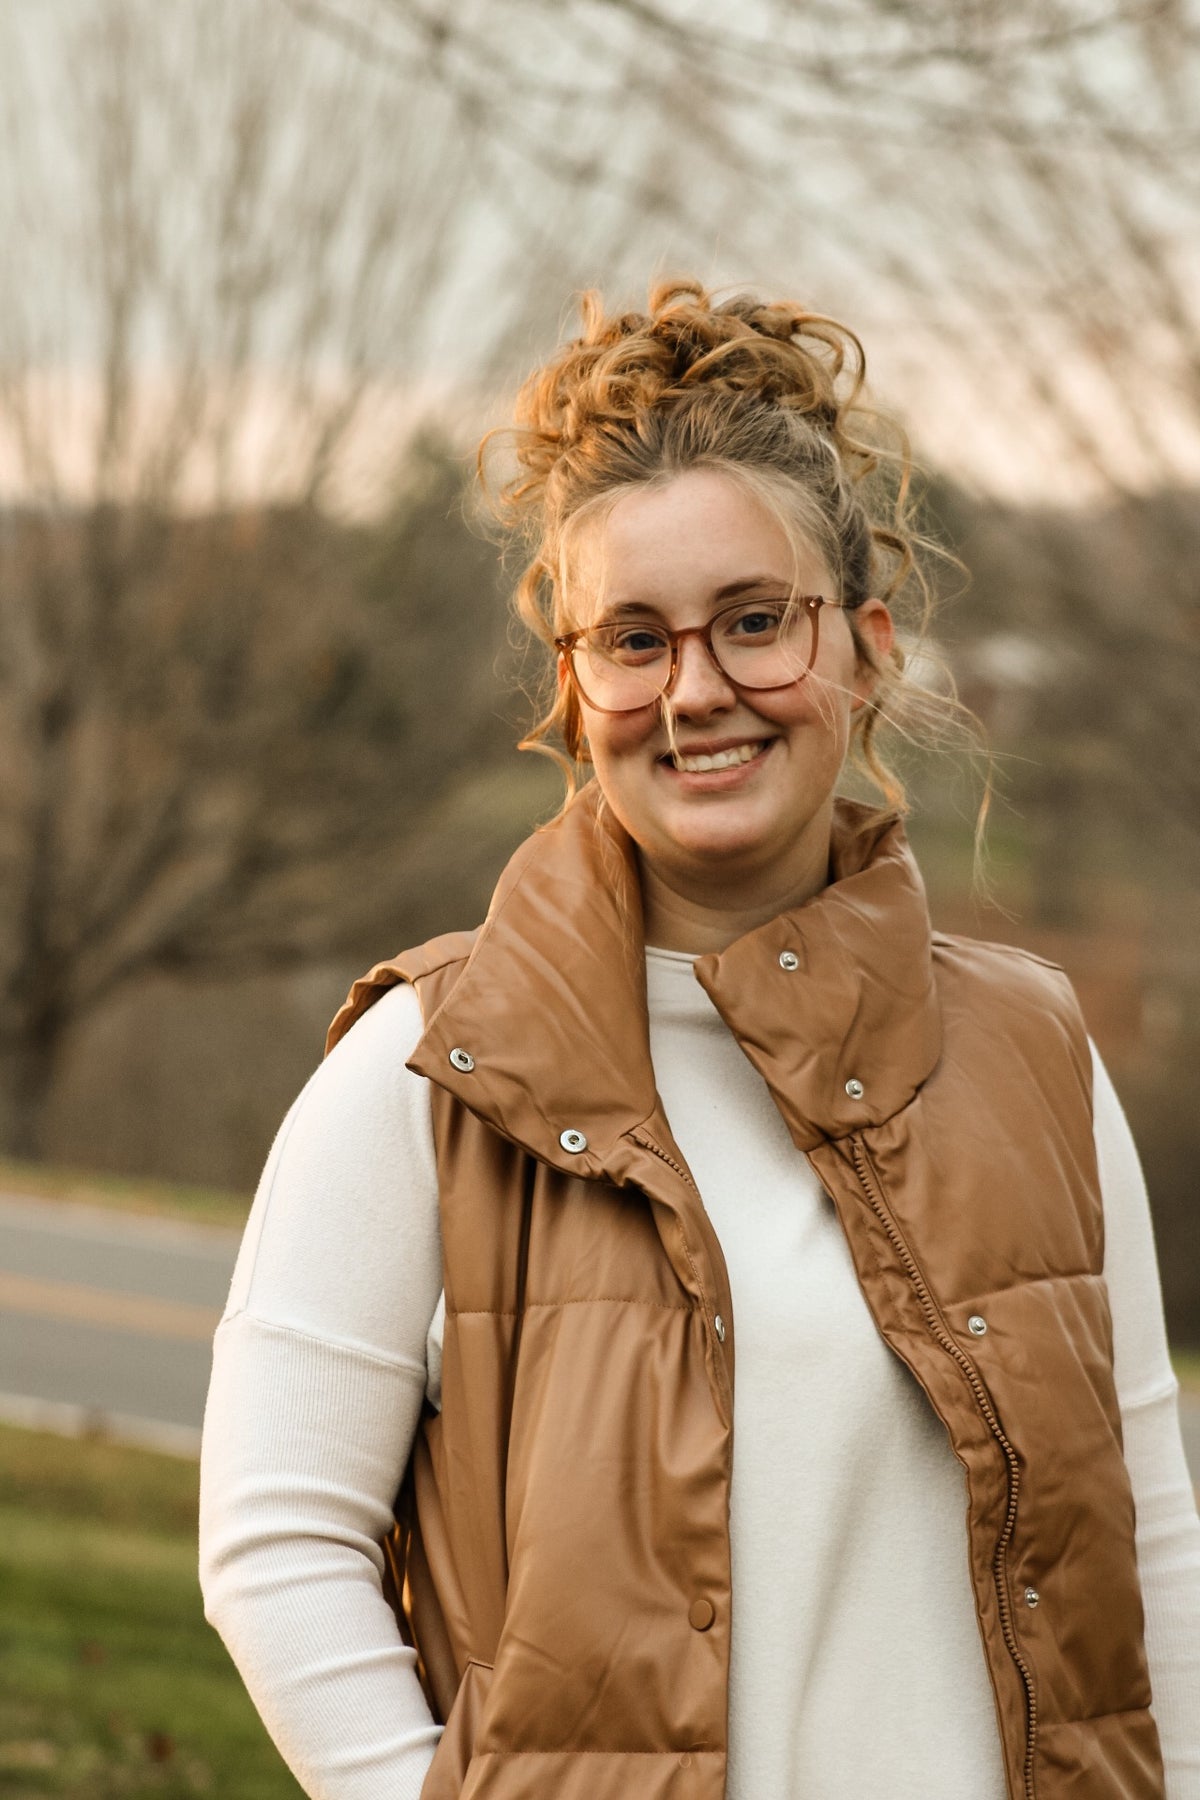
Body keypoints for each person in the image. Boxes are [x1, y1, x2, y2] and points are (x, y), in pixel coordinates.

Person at [198, 278, 1200, 1800]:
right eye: (635, 639)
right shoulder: (425, 1072)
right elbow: (275, 1546)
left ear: (865, 650)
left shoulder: (1033, 1056)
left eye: (754, 623)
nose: (698, 692)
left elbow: (1155, 1544)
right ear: (575, 683)